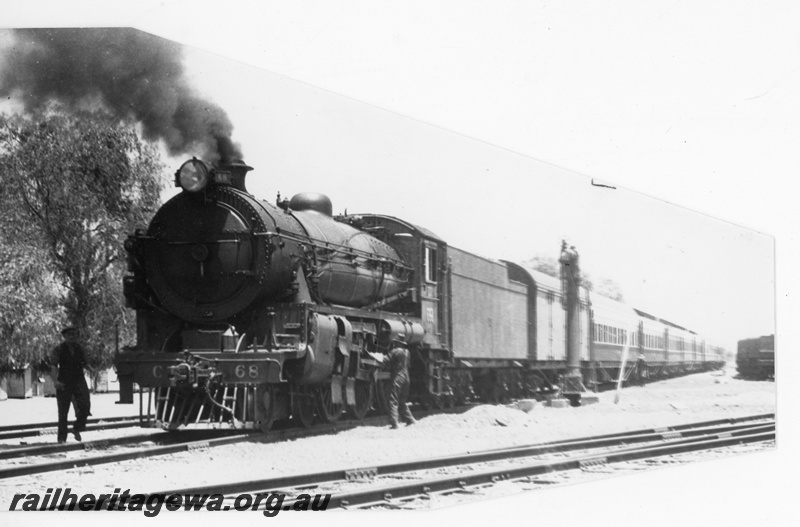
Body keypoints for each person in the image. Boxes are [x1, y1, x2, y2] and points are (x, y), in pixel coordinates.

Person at [50, 326, 92, 443]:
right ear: (64, 336)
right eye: (69, 334)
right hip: (64, 381)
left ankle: (77, 427)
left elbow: (85, 363)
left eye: (74, 334)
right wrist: (55, 381)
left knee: (85, 405)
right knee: (63, 411)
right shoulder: (59, 349)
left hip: (79, 380)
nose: (72, 337)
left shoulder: (79, 348)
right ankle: (62, 439)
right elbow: (53, 365)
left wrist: (91, 369)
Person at [385, 337, 416, 429]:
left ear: (397, 343)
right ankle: (410, 420)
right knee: (402, 401)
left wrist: (375, 356)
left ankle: (394, 423)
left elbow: (385, 360)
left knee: (393, 400)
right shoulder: (407, 352)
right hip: (407, 377)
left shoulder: (395, 351)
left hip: (399, 376)